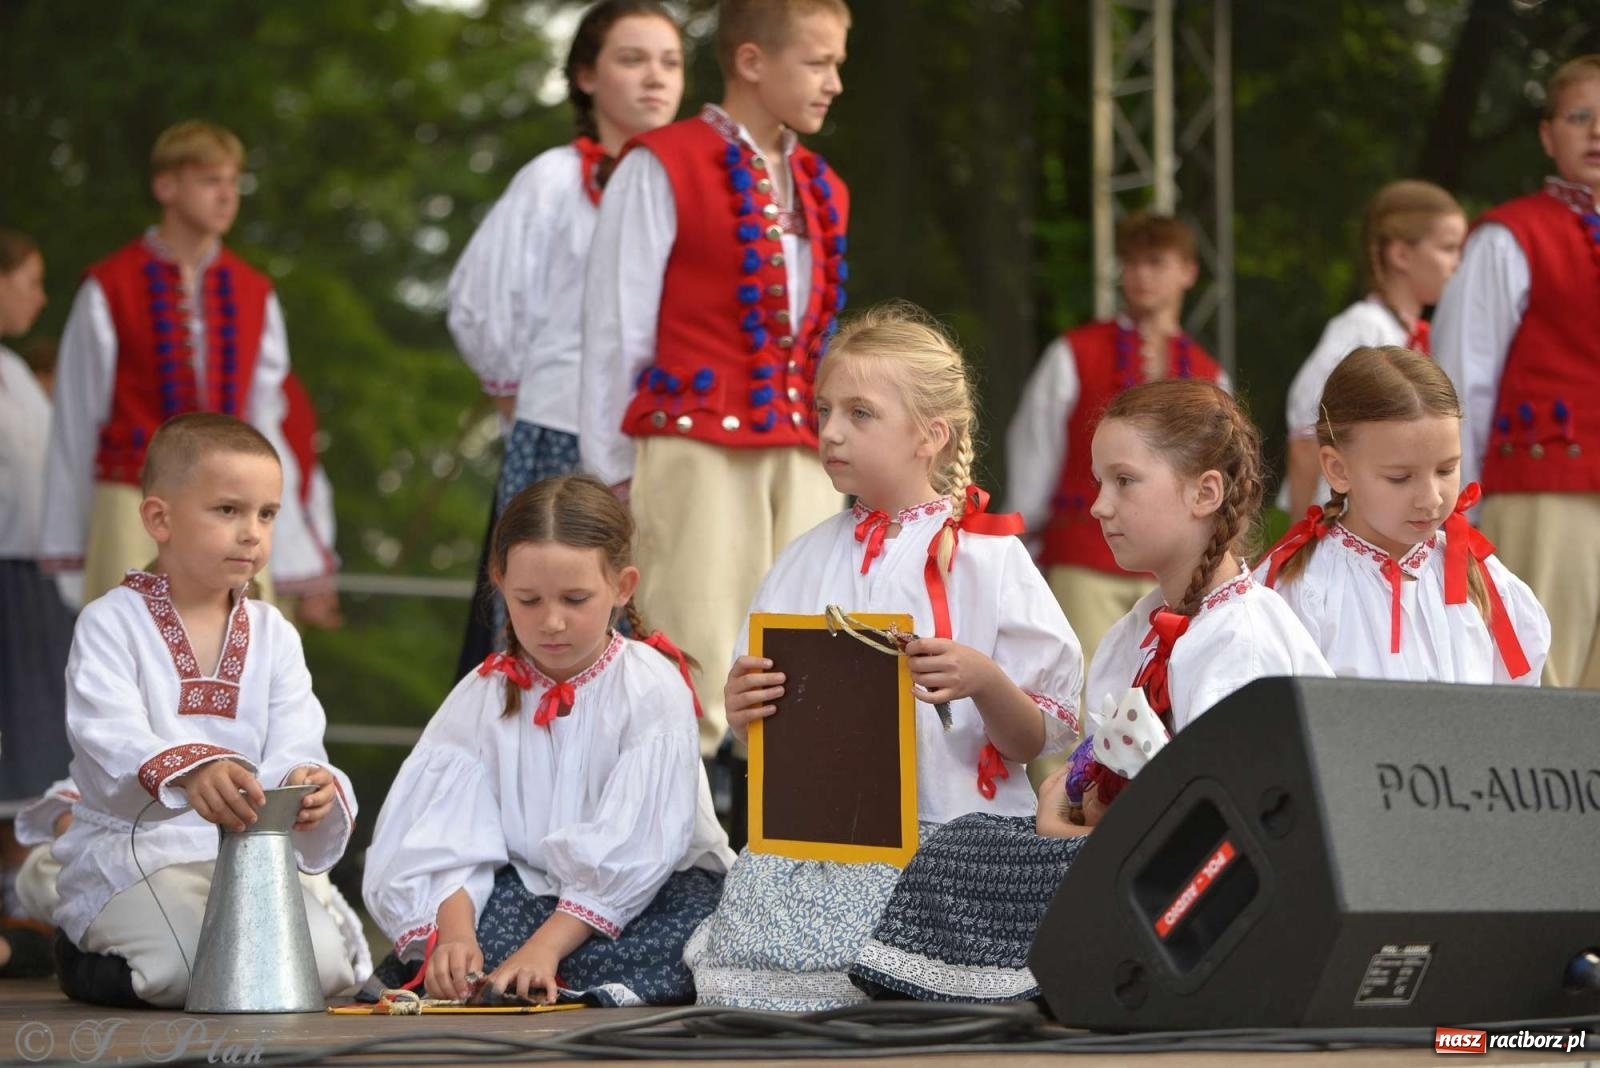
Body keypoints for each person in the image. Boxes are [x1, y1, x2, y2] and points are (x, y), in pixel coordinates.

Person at [850, 379, 1331, 1003]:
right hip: (1133, 856)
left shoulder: (1242, 637)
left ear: (1204, 493)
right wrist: (1073, 801)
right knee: (966, 837)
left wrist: (1075, 836)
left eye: (1124, 482)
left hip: (1222, 887)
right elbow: (1103, 772)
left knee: (992, 863)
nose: (1100, 505)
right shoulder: (1135, 632)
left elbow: (1229, 831)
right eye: (1100, 482)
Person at [684, 303, 1084, 1011]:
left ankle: (904, 973)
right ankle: (863, 977)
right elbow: (770, 740)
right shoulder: (804, 560)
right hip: (834, 840)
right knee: (761, 910)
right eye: (824, 409)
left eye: (860, 414)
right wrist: (745, 714)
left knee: (962, 881)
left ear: (930, 435)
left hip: (957, 834)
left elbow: (1036, 735)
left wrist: (986, 681)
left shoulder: (991, 559)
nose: (831, 431)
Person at [581, 0, 852, 761]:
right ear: (752, 61)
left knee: (809, 661)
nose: (833, 82)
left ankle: (796, 865)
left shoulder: (824, 185)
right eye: (817, 62)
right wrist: (609, 478)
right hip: (692, 445)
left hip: (803, 449)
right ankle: (674, 866)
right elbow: (614, 332)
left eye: (838, 64)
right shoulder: (662, 162)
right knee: (691, 664)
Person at [362, 475, 733, 1007]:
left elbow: (640, 850)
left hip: (644, 892)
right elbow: (441, 832)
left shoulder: (650, 684)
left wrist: (545, 949)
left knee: (695, 936)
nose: (551, 621)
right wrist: (456, 936)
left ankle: (536, 970)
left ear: (622, 586)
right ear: (500, 582)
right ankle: (508, 970)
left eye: (575, 598)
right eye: (529, 600)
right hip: (528, 892)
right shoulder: (484, 692)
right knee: (477, 946)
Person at [51, 414, 357, 1008]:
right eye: (228, 511)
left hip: (248, 857)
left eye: (267, 514)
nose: (252, 533)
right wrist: (192, 770)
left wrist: (307, 786)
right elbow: (105, 736)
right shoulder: (109, 622)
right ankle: (75, 949)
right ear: (159, 519)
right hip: (139, 852)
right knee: (177, 972)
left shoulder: (276, 632)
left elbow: (299, 738)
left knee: (320, 971)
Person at [448, 1, 684, 666]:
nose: (655, 78)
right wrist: (518, 394)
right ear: (586, 75)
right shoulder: (554, 179)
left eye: (669, 62)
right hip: (562, 430)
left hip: (662, 438)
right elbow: (479, 297)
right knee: (552, 623)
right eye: (632, 59)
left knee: (649, 621)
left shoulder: (687, 183)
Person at [39, 120, 311, 606]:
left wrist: (289, 540)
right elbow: (76, 423)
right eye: (211, 181)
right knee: (129, 653)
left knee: (234, 656)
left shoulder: (254, 293)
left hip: (234, 507)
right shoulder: (110, 286)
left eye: (233, 182)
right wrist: (67, 545)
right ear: (166, 186)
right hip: (133, 500)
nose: (227, 196)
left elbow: (266, 421)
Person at [1433, 54, 1600, 688]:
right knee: (1539, 682)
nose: (1596, 133)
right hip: (1541, 493)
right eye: (1580, 116)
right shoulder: (1509, 236)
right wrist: (1453, 503)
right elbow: (1457, 379)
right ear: (1547, 134)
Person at [1005, 213, 1225, 683]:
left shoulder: (1210, 376)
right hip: (1085, 559)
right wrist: (1021, 546)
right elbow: (1034, 455)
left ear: (1188, 271)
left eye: (1156, 261)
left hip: (1179, 571)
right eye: (1130, 263)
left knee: (1170, 702)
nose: (1140, 275)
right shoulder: (1073, 353)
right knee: (1074, 695)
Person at [1260, 347, 1548, 684]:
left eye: (1446, 469)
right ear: (1338, 469)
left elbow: (1518, 706)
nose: (1431, 498)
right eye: (1400, 477)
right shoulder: (1306, 590)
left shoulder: (1483, 579)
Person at [1283, 181, 1465, 517]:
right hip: (1343, 525)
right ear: (1401, 254)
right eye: (1449, 248)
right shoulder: (1363, 328)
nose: (1457, 264)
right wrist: (1299, 536)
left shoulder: (1414, 333)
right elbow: (1306, 433)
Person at [0, 228, 72, 978]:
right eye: (29, 278)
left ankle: (16, 908)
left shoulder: (17, 371)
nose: (39, 295)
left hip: (29, 572)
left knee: (28, 744)